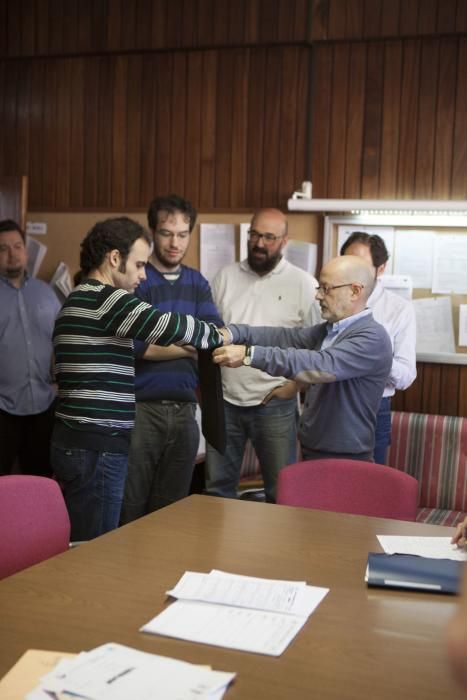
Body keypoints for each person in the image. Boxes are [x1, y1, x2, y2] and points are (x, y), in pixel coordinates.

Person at [51, 217, 227, 541]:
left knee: (83, 539)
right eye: (140, 264)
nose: (144, 275)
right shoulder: (107, 299)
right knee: (97, 545)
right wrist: (218, 335)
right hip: (98, 444)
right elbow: (166, 325)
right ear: (114, 259)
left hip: (76, 441)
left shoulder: (76, 299)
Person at [213, 255, 393, 462]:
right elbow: (285, 337)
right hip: (314, 448)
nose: (318, 296)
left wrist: (248, 355)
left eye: (326, 289)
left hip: (347, 458)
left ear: (355, 291)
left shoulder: (372, 338)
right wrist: (235, 332)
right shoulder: (329, 330)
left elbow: (320, 365)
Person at [205, 208, 321, 502]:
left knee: (281, 493)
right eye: (255, 235)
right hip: (226, 402)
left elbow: (317, 347)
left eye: (269, 237)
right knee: (217, 490)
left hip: (275, 404)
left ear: (284, 241)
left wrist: (296, 385)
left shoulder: (304, 284)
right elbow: (209, 336)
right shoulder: (224, 278)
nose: (259, 243)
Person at [120, 195, 223, 524]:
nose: (175, 242)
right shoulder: (138, 279)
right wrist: (189, 344)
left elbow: (212, 336)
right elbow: (138, 347)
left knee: (172, 514)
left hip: (184, 412)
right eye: (166, 233)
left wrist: (168, 338)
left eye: (182, 233)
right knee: (131, 507)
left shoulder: (198, 282)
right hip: (141, 410)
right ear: (153, 233)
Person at [340, 232, 416, 463]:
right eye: (347, 262)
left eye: (360, 265)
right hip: (330, 405)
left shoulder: (399, 310)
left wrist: (377, 357)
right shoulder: (328, 300)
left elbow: (406, 377)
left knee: (366, 491)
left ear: (380, 269)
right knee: (323, 491)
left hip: (373, 408)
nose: (351, 272)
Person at [0, 219, 61, 477]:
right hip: (3, 408)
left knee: (41, 482)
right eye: (3, 248)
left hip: (44, 406)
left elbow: (60, 341)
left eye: (17, 246)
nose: (12, 254)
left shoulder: (46, 293)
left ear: (26, 250)